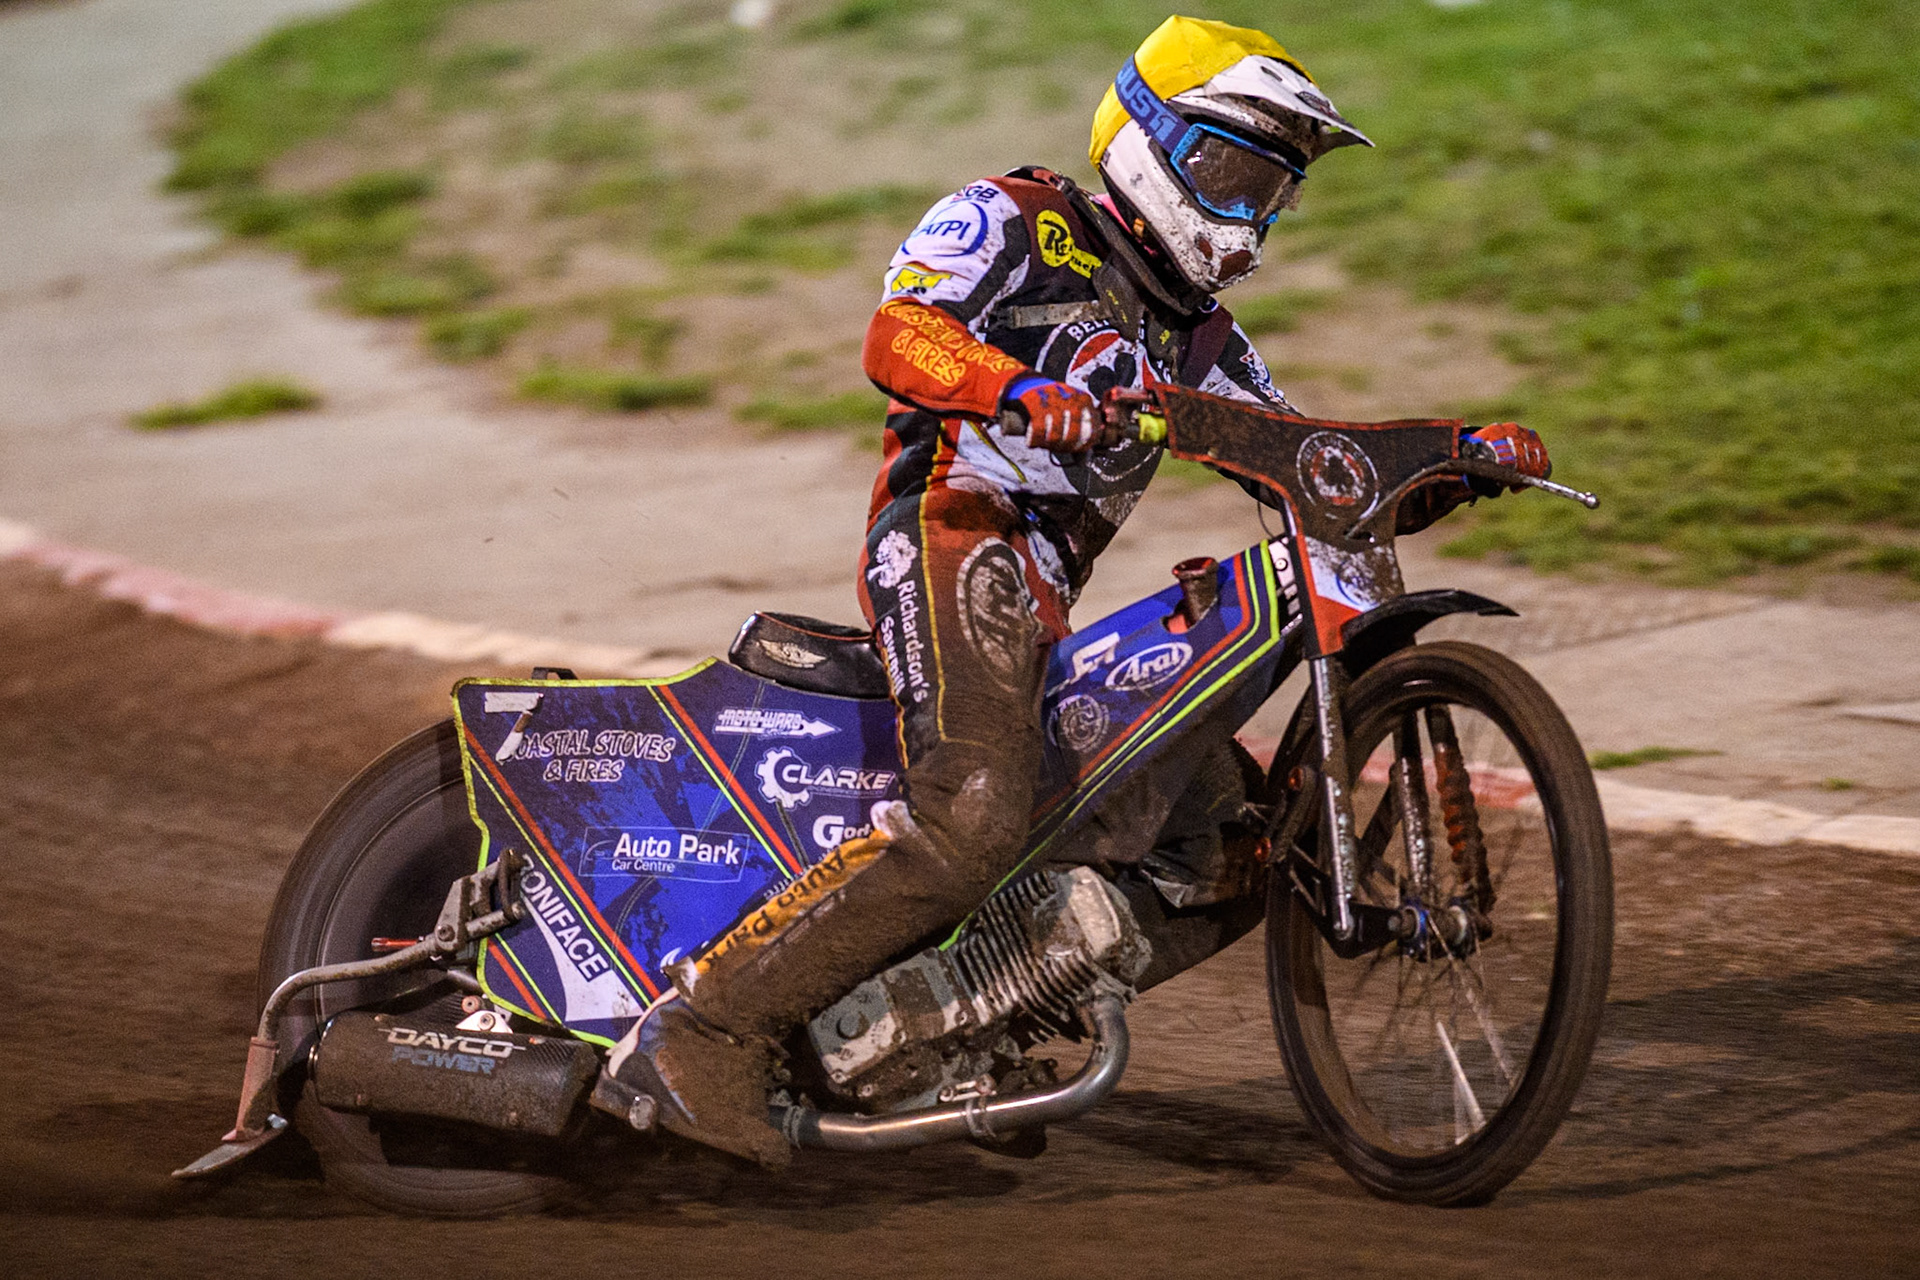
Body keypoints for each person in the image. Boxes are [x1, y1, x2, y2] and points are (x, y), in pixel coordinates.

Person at [610, 15, 1550, 1169]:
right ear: (1151, 139)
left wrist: (1451, 460)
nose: (1249, 215)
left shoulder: (1199, 335)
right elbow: (898, 333)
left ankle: (959, 1021)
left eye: (1273, 191)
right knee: (972, 812)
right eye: (1234, 174)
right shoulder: (1017, 217)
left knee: (1237, 852)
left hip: (1046, 605)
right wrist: (1013, 390)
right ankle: (700, 1030)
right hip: (957, 532)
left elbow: (1302, 457)